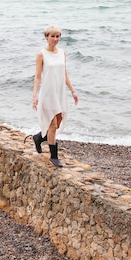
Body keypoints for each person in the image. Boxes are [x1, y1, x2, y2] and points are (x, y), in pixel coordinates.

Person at [31, 25, 79, 167]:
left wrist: (73, 91)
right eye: (52, 36)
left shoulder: (62, 53)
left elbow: (64, 74)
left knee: (57, 124)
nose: (55, 39)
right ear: (46, 37)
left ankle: (39, 138)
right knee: (52, 124)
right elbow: (38, 77)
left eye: (58, 36)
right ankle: (54, 156)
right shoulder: (41, 54)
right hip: (48, 93)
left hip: (59, 92)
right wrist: (35, 96)